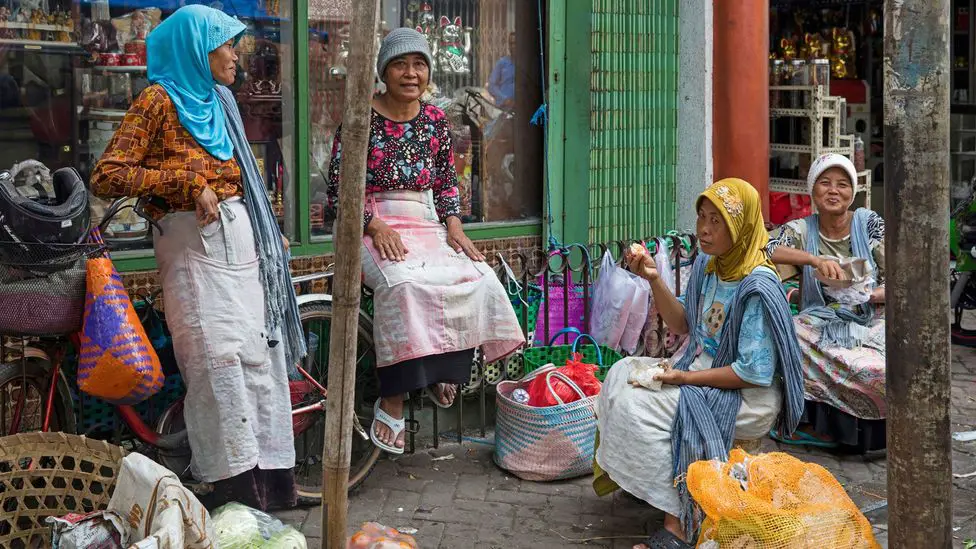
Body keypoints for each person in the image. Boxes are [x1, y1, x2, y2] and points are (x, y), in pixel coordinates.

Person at [90, 5, 305, 511]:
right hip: (191, 244)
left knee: (260, 359)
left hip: (241, 239)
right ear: (196, 50)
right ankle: (233, 489)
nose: (235, 54)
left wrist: (270, 230)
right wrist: (186, 183)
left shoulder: (222, 101)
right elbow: (108, 174)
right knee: (215, 364)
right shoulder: (157, 101)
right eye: (226, 44)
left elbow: (244, 177)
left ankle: (275, 486)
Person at [327, 28, 524, 455]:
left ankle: (440, 373)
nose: (410, 74)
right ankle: (394, 399)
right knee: (402, 286)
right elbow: (339, 188)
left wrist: (454, 225)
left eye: (419, 65)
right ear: (383, 71)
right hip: (372, 222)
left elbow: (446, 183)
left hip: (426, 222)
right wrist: (372, 225)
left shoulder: (435, 120)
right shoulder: (361, 117)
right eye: (400, 64)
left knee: (478, 279)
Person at [593, 179, 806, 548]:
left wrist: (686, 378)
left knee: (637, 408)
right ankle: (652, 488)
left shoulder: (757, 285)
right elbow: (682, 324)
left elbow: (751, 373)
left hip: (744, 393)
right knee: (617, 376)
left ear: (739, 228)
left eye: (717, 221)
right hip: (699, 368)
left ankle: (679, 523)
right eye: (702, 218)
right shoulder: (710, 263)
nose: (704, 229)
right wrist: (655, 280)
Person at [766, 153, 886, 452]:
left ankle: (873, 431)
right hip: (824, 319)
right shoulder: (803, 229)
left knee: (882, 361)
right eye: (825, 183)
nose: (834, 191)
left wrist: (871, 294)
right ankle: (816, 427)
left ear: (853, 191)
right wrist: (812, 259)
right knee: (789, 332)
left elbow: (903, 272)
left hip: (872, 315)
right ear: (813, 191)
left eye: (843, 184)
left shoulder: (868, 222)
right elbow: (765, 247)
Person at [486, 32, 515, 109]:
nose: (513, 46)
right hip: (503, 107)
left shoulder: (524, 65)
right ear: (508, 46)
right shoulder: (502, 63)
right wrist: (504, 99)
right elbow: (491, 86)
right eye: (511, 43)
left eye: (516, 43)